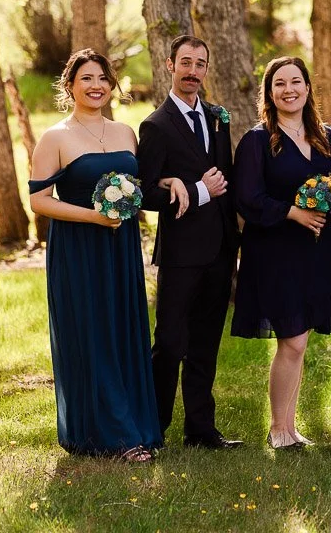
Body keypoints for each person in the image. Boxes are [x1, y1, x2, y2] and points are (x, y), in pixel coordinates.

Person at [29, 49, 162, 461]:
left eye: (103, 78)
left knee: (123, 330)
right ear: (69, 85)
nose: (96, 85)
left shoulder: (125, 133)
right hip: (78, 249)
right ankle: (115, 437)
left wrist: (173, 183)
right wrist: (93, 216)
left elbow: (141, 187)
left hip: (121, 247)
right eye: (86, 78)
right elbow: (38, 201)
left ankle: (135, 425)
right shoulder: (55, 137)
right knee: (92, 332)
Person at [231, 56, 331, 448]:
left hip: (314, 251)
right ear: (269, 93)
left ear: (307, 87)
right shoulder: (257, 141)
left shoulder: (329, 136)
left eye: (295, 82)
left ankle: (288, 426)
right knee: (294, 339)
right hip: (274, 250)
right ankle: (277, 428)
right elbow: (246, 197)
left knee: (298, 340)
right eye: (279, 84)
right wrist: (293, 213)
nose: (289, 90)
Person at [137, 35, 241, 449]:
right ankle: (154, 427)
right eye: (185, 62)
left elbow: (226, 180)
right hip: (181, 253)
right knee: (169, 343)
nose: (192, 71)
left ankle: (200, 430)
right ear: (170, 65)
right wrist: (197, 191)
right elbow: (145, 193)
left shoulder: (218, 117)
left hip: (220, 249)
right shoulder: (155, 125)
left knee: (206, 342)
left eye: (200, 64)